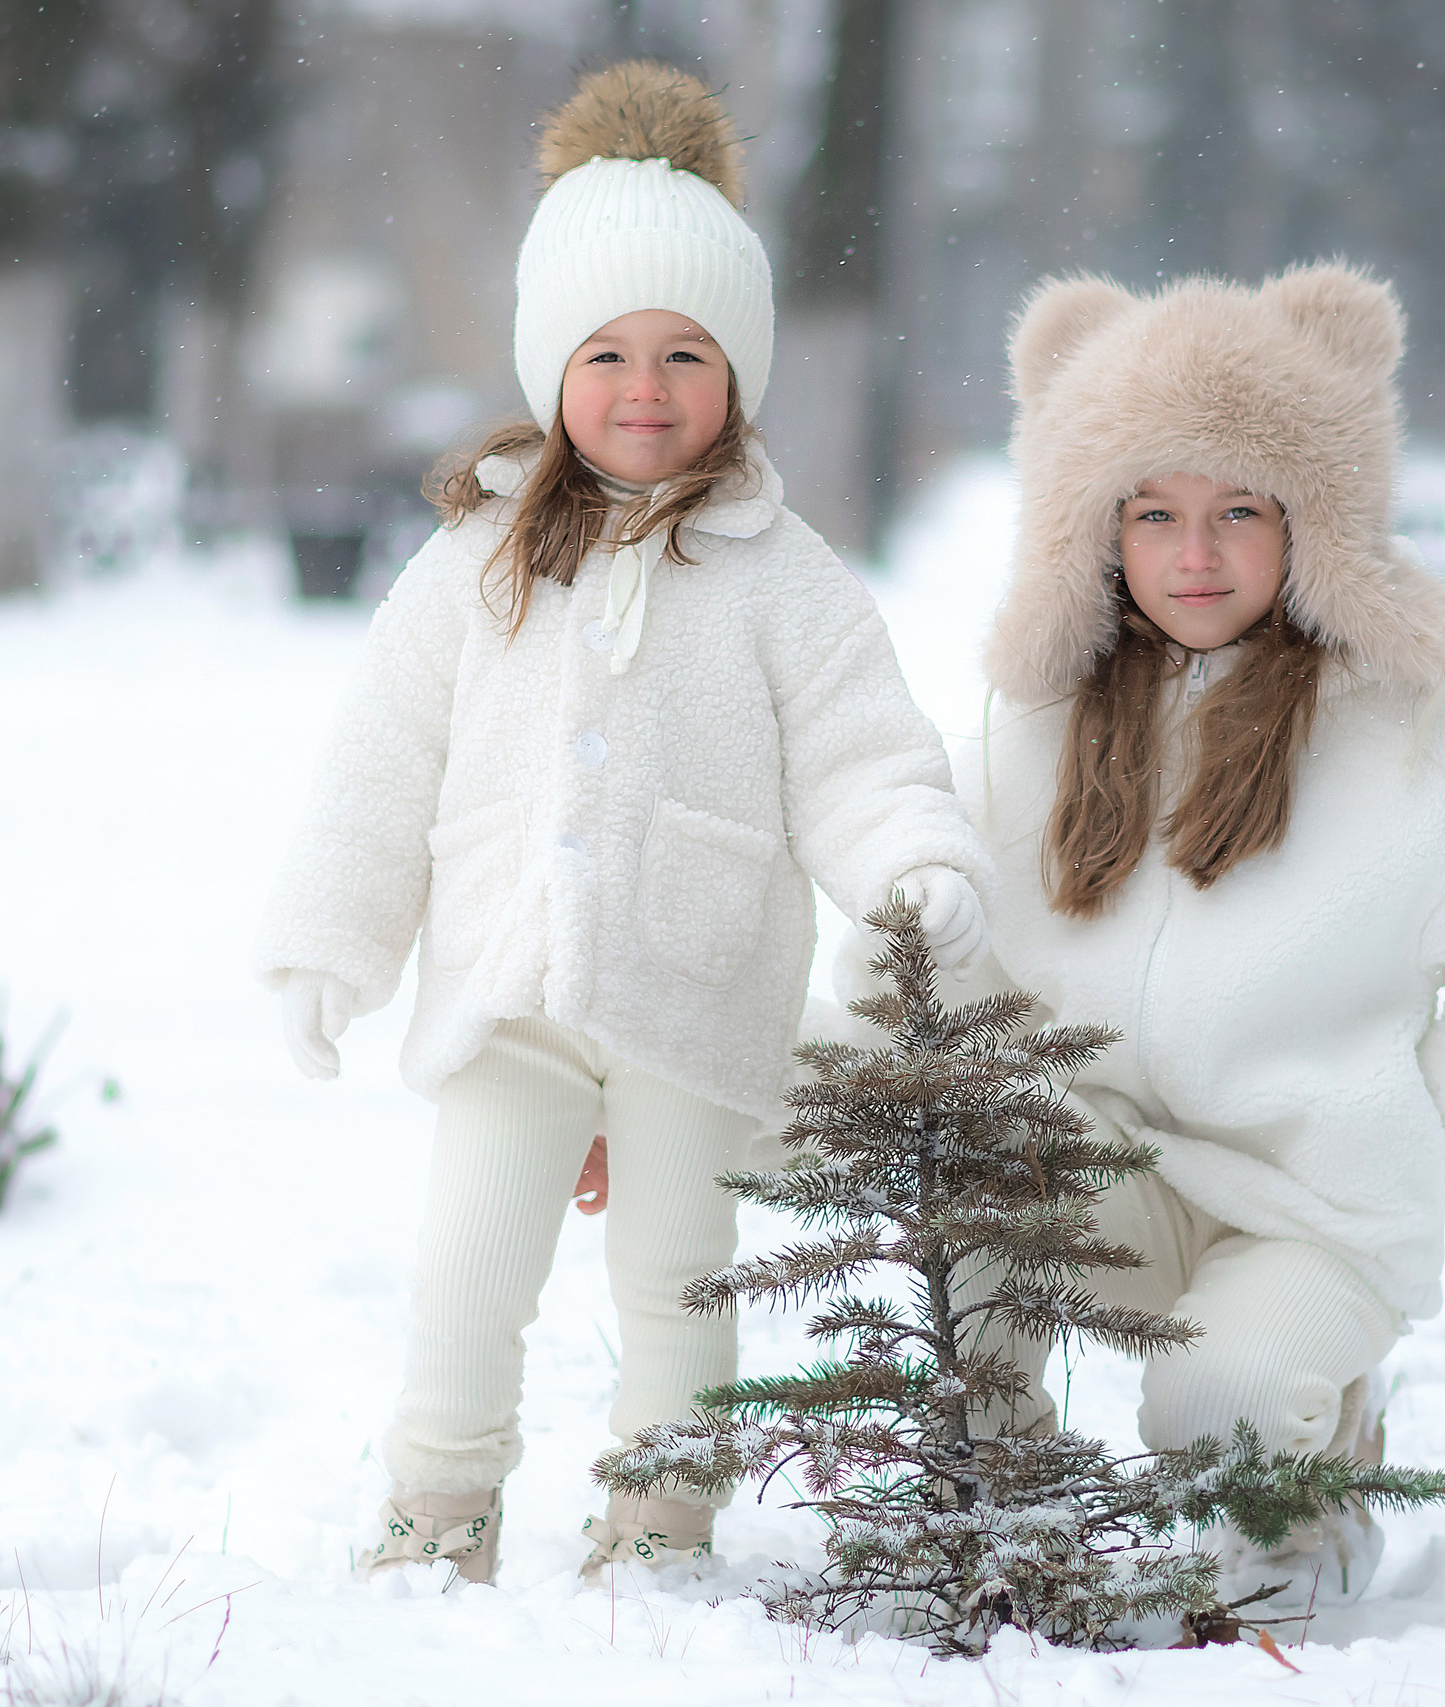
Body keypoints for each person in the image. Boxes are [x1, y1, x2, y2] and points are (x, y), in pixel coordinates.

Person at [255, 62, 992, 1587]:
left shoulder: (783, 575)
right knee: (466, 1275)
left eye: (685, 354)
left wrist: (910, 862)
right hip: (508, 986)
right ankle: (438, 1507)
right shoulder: (475, 562)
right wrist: (331, 939)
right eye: (606, 353)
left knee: (678, 1278)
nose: (645, 388)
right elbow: (381, 765)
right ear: (550, 367)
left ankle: (662, 1514)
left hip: (696, 990)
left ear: (739, 376)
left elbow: (859, 754)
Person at [941, 264, 1445, 1606]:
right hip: (1109, 1175)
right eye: (1154, 513)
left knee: (1224, 1393)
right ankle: (1008, 1513)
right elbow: (933, 952)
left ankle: (1303, 1490)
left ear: (1312, 522)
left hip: (1315, 1211)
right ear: (1096, 529)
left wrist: (1426, 1132)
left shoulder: (1420, 750)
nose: (1195, 556)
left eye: (1240, 512)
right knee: (963, 1221)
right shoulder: (1026, 744)